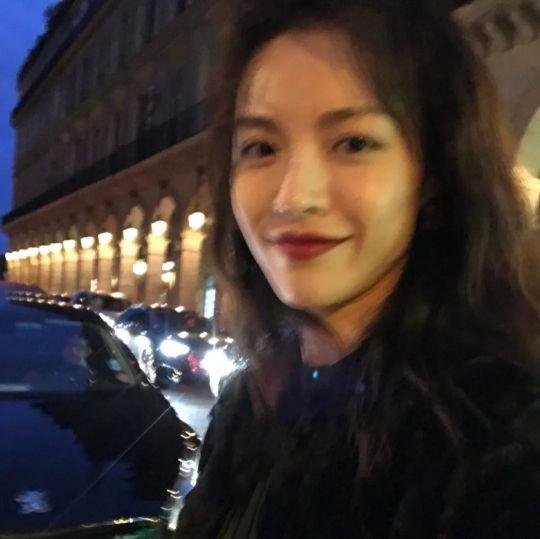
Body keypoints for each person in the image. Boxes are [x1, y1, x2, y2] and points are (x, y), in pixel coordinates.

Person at [175, 0, 540, 537]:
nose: (293, 197)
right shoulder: (250, 403)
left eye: (353, 143)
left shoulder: (502, 443)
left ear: (435, 173)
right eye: (261, 147)